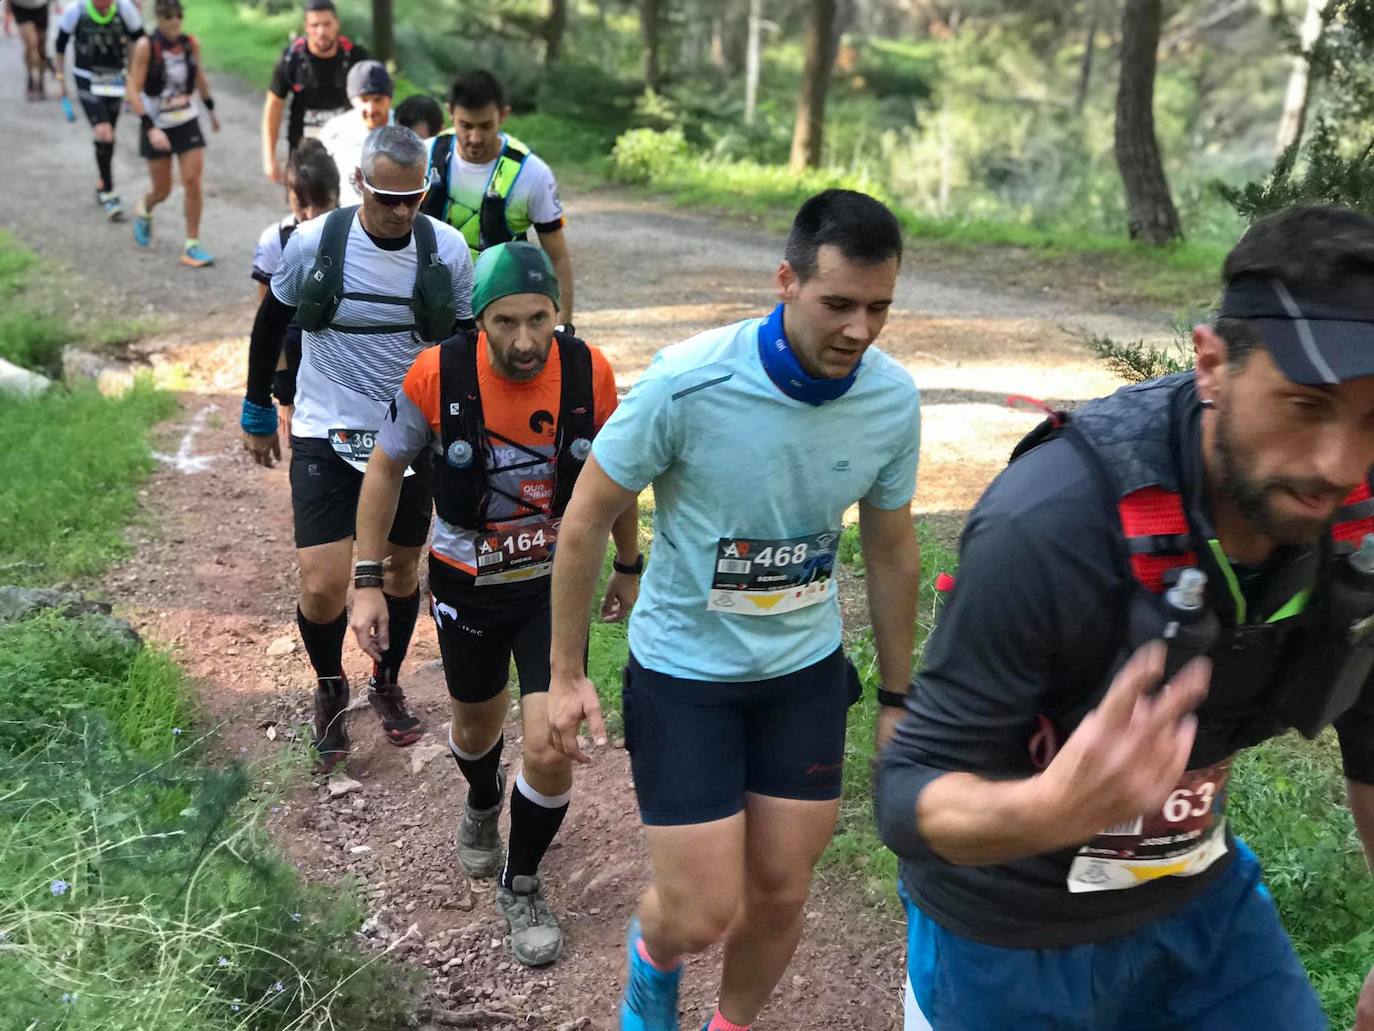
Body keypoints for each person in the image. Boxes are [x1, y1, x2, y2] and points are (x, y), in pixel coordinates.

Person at [874, 205, 1374, 1031]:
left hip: (1194, 898)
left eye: (1373, 420)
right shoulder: (1052, 521)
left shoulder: (1357, 522)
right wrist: (1051, 809)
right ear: (1211, 364)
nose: (1339, 464)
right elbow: (905, 795)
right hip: (1005, 934)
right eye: (1304, 405)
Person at [546, 189, 923, 1031]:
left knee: (784, 892)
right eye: (837, 304)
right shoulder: (689, 382)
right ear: (785, 281)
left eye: (879, 308)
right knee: (702, 908)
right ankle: (654, 961)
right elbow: (583, 519)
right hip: (687, 675)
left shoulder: (891, 400)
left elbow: (895, 550)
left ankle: (728, 1026)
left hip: (802, 675)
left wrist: (899, 699)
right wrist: (563, 674)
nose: (859, 330)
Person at [350, 241, 638, 967]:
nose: (524, 340)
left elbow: (619, 473)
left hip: (554, 585)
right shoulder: (435, 373)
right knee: (477, 728)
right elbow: (384, 468)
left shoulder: (589, 371)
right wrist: (366, 577)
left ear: (557, 312)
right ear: (478, 319)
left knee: (550, 738)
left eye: (539, 319)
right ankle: (482, 801)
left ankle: (522, 881)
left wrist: (630, 562)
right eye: (505, 321)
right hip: (465, 581)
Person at [240, 125, 475, 773]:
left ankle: (385, 678)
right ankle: (328, 682)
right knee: (323, 585)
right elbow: (271, 322)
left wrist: (463, 427)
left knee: (400, 574)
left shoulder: (446, 251)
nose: (401, 211)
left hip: (409, 436)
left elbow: (461, 341)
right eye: (386, 197)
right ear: (358, 184)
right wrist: (258, 405)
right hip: (323, 425)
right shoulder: (314, 243)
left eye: (414, 197)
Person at [420, 70, 574, 332]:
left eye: (485, 126)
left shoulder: (533, 173)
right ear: (450, 113)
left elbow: (558, 256)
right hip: (429, 304)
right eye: (466, 125)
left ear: (503, 115)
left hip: (499, 311)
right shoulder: (423, 156)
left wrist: (564, 326)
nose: (475, 138)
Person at [251, 138, 340, 453]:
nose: (312, 214)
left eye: (323, 203)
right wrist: (283, 393)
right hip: (300, 367)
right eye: (301, 204)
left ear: (338, 195)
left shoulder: (358, 232)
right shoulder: (275, 240)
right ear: (287, 196)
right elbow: (269, 324)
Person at [127, 0, 219, 268]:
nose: (174, 22)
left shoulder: (191, 43)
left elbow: (200, 76)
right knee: (162, 190)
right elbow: (133, 89)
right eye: (168, 17)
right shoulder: (147, 46)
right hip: (156, 123)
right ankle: (144, 207)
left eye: (178, 16)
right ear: (158, 18)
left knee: (192, 180)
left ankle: (192, 244)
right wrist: (149, 127)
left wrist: (210, 109)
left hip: (186, 120)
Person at [53, 0, 143, 219]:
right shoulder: (76, 11)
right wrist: (61, 80)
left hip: (115, 80)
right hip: (87, 79)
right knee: (104, 132)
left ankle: (103, 181)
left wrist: (135, 80)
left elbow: (140, 42)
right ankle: (110, 194)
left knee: (109, 136)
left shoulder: (125, 10)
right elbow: (60, 45)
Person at [261, 0, 367, 184]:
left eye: (327, 24)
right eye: (314, 25)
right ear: (306, 27)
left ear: (337, 24)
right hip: (303, 153)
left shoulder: (356, 59)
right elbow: (274, 107)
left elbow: (375, 102)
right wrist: (269, 157)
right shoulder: (291, 59)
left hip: (346, 150)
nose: (321, 31)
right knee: (304, 211)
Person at [319, 59, 391, 207]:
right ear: (352, 100)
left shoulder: (405, 131)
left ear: (389, 99)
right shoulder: (334, 131)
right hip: (345, 219)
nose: (371, 109)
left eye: (378, 100)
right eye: (364, 100)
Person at [7, 0, 52, 100]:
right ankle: (31, 78)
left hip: (40, 5)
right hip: (20, 6)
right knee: (31, 43)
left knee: (41, 48)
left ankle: (41, 82)